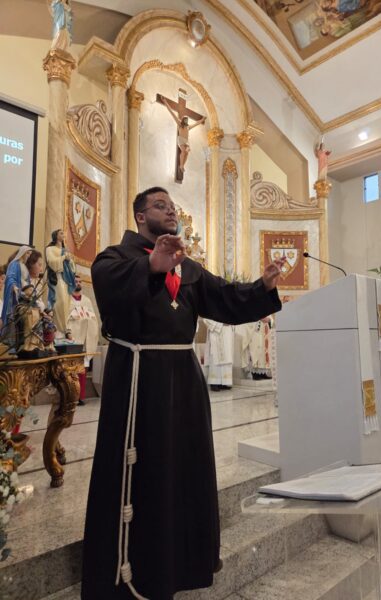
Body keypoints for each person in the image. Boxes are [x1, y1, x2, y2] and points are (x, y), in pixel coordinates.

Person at [82, 186, 285, 600]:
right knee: (144, 473)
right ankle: (133, 570)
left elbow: (225, 298)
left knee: (182, 470)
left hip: (184, 385)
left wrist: (262, 286)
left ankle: (181, 563)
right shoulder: (115, 258)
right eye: (160, 206)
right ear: (140, 216)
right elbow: (110, 294)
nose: (170, 211)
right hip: (139, 380)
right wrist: (151, 266)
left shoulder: (187, 267)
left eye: (172, 206)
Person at [67, 274, 99, 406]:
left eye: (80, 281)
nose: (79, 283)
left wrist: (84, 318)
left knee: (82, 370)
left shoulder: (87, 300)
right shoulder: (67, 299)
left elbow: (93, 319)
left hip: (85, 339)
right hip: (71, 339)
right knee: (70, 370)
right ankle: (70, 397)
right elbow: (64, 318)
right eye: (76, 281)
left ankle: (81, 396)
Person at [162, 97, 206, 172]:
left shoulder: (188, 127)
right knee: (183, 151)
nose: (186, 121)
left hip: (186, 141)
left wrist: (202, 119)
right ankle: (181, 165)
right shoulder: (179, 124)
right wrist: (165, 101)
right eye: (185, 119)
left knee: (187, 152)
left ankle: (182, 165)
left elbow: (196, 123)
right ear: (183, 120)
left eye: (187, 120)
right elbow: (172, 113)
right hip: (181, 140)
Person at [45, 229, 76, 335]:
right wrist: (63, 257)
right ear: (56, 235)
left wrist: (70, 260)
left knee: (67, 303)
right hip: (57, 277)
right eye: (61, 233)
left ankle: (65, 328)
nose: (63, 234)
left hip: (67, 279)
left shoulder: (65, 249)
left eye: (63, 233)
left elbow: (72, 266)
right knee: (60, 302)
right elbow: (51, 262)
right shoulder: (50, 249)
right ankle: (59, 329)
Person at [1, 246, 32, 336]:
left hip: (24, 293)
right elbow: (10, 277)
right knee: (13, 315)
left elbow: (27, 280)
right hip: (16, 293)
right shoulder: (14, 264)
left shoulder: (24, 266)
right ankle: (10, 337)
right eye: (27, 253)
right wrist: (14, 286)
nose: (28, 256)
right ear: (22, 253)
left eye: (29, 254)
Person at [203, 319, 234, 391]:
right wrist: (221, 324)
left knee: (227, 356)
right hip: (216, 333)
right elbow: (206, 318)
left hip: (227, 332)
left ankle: (224, 382)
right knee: (215, 357)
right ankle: (214, 383)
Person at [240, 316, 274, 380]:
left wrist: (269, 320)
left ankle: (263, 373)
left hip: (265, 333)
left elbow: (270, 318)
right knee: (255, 352)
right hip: (255, 332)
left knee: (263, 354)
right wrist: (259, 318)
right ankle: (255, 373)